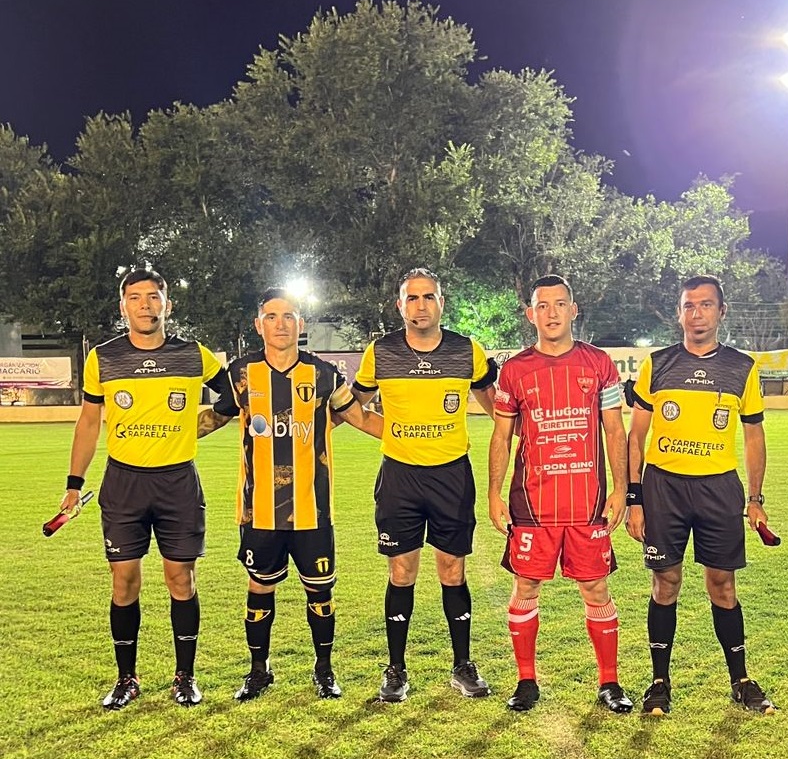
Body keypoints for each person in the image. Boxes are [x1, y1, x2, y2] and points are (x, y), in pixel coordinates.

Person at [198, 288, 382, 701]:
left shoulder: (323, 374)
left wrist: (411, 435)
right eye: (271, 316)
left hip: (312, 509)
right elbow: (216, 417)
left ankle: (324, 669)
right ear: (258, 324)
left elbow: (359, 417)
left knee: (320, 591)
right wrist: (166, 435)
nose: (280, 324)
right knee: (259, 587)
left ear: (301, 324)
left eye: (288, 316)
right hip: (259, 510)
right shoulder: (241, 373)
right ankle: (258, 670)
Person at [61, 268, 227, 710]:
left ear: (167, 304)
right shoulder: (103, 357)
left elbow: (233, 396)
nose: (145, 305)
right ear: (123, 306)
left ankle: (185, 676)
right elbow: (89, 422)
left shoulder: (193, 355)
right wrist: (74, 485)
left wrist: (200, 427)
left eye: (153, 297)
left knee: (180, 579)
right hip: (124, 483)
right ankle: (126, 678)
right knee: (124, 581)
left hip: (177, 482)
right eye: (135, 297)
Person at [626, 275, 776, 715]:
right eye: (689, 306)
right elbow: (636, 436)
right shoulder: (657, 364)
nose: (697, 314)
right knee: (665, 582)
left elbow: (753, 436)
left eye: (706, 305)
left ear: (721, 312)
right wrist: (635, 498)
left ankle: (741, 681)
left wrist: (755, 499)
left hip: (718, 488)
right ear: (679, 314)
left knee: (722, 584)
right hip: (664, 487)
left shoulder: (742, 368)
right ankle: (659, 683)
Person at [488, 275, 633, 714]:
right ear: (530, 314)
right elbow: (502, 436)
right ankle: (525, 680)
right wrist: (494, 493)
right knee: (525, 585)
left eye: (559, 304)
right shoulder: (514, 370)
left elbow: (614, 429)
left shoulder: (599, 363)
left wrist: (622, 488)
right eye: (542, 305)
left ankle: (609, 682)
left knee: (596, 587)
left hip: (587, 502)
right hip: (532, 505)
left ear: (574, 309)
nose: (551, 313)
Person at [351, 268, 497, 702]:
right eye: (412, 298)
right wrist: (390, 431)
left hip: (451, 475)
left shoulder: (467, 350)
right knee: (402, 570)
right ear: (400, 305)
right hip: (400, 476)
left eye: (428, 297)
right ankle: (396, 669)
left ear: (441, 303)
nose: (420, 306)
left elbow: (498, 408)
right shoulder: (381, 352)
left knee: (453, 569)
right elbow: (351, 406)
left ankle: (462, 665)